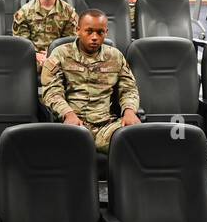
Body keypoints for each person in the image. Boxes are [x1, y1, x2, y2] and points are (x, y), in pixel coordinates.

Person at [40, 10, 140, 153]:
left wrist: (129, 111)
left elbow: (129, 88)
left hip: (107, 126)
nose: (94, 37)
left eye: (100, 32)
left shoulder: (115, 56)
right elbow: (51, 91)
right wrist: (68, 114)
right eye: (89, 31)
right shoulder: (61, 54)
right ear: (78, 30)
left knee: (136, 138)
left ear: (106, 32)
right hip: (74, 123)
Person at [12, 0, 76, 68]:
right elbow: (22, 44)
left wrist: (52, 56)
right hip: (31, 58)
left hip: (59, 59)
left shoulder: (69, 12)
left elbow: (69, 42)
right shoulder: (24, 12)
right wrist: (36, 55)